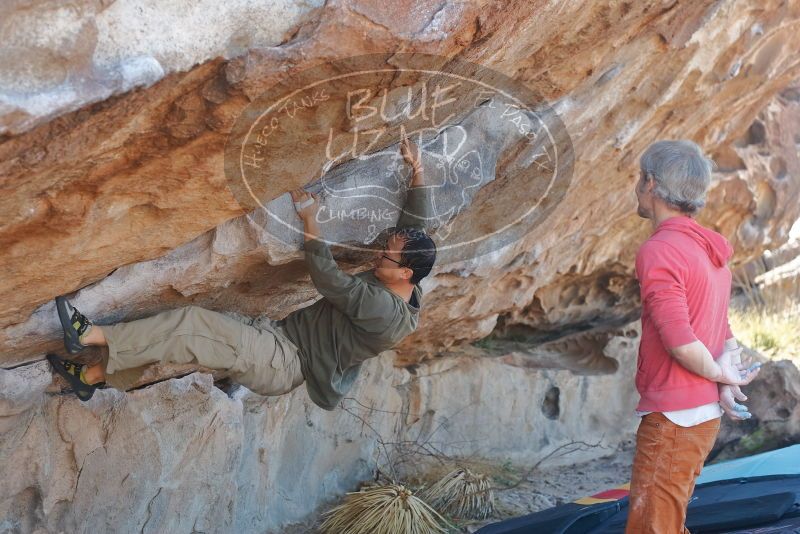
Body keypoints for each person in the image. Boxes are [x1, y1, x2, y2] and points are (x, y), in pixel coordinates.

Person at [48, 137, 437, 410]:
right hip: (277, 337)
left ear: (403, 273)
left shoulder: (384, 313)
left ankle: (89, 335)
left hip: (283, 360)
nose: (377, 255)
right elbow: (418, 229)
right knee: (174, 337)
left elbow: (328, 278)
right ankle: (91, 377)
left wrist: (310, 219)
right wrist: (417, 172)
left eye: (386, 256)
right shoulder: (405, 279)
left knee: (190, 323)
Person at [625, 140, 762, 534]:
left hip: (674, 416)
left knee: (653, 526)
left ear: (651, 184)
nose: (638, 186)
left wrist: (724, 377)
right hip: (701, 415)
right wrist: (725, 377)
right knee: (665, 518)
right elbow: (723, 328)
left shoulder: (660, 250)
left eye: (639, 178)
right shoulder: (708, 249)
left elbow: (681, 341)